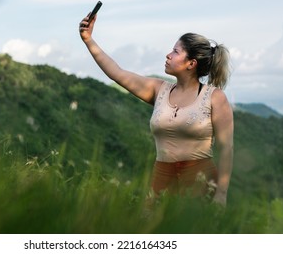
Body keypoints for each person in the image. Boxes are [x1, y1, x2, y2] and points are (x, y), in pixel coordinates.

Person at [79, 12, 233, 207]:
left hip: (200, 182)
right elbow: (117, 73)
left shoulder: (214, 97)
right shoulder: (159, 90)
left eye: (176, 52)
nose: (168, 55)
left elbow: (226, 148)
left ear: (191, 63)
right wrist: (88, 40)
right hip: (161, 179)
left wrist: (221, 193)